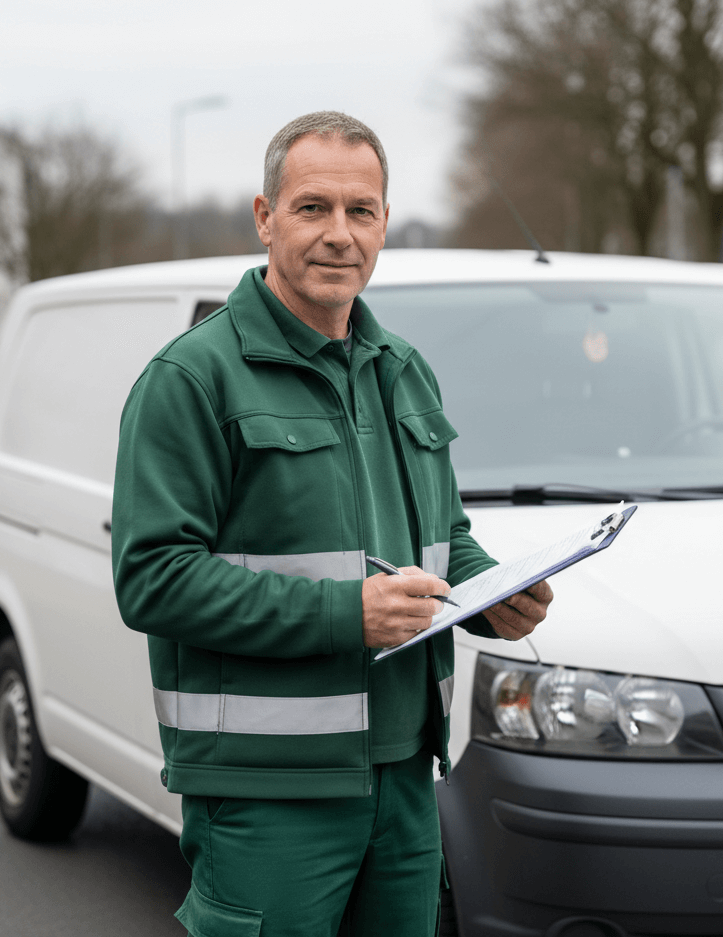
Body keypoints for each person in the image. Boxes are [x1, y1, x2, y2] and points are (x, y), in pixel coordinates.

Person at [111, 111, 553, 937]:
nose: (339, 235)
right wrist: (344, 615)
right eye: (313, 207)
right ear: (265, 217)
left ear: (386, 222)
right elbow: (152, 578)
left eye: (362, 211)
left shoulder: (403, 372)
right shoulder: (191, 379)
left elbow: (442, 534)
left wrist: (491, 590)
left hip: (407, 781)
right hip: (268, 794)